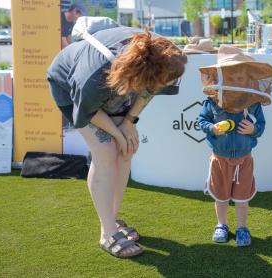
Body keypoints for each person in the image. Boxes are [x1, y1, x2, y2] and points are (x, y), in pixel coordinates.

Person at [47, 26, 187, 258]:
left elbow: (151, 88)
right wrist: (118, 133)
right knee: (106, 150)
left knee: (126, 150)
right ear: (144, 73)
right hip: (73, 90)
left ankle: (112, 219)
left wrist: (130, 122)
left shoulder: (163, 53)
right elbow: (88, 109)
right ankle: (107, 232)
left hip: (120, 77)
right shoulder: (92, 76)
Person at [198, 46, 272, 247]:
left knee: (242, 198)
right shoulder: (212, 102)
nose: (234, 82)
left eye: (239, 78)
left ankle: (242, 227)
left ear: (249, 80)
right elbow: (201, 121)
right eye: (230, 77)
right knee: (221, 196)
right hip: (219, 158)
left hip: (244, 159)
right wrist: (213, 128)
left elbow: (261, 126)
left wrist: (253, 129)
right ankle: (221, 225)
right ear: (219, 78)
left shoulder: (252, 103)